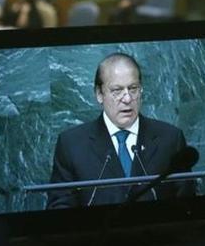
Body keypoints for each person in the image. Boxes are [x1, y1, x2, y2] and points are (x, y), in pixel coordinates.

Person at [47, 53, 195, 209]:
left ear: (141, 90)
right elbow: (59, 208)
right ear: (99, 94)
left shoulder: (170, 138)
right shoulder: (71, 144)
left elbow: (188, 206)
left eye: (133, 89)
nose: (127, 98)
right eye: (117, 90)